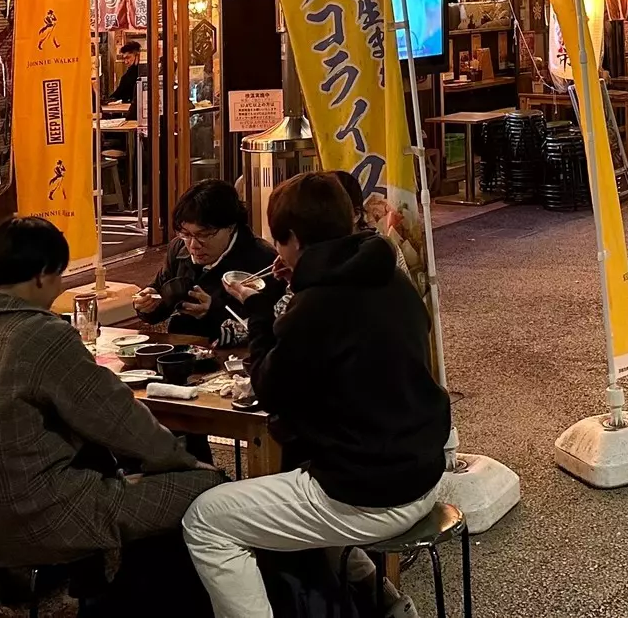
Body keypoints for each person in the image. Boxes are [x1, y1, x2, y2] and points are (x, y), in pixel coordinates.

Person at [0, 217, 220, 614]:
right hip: (39, 517)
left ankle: (107, 591)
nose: (59, 288)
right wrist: (186, 464)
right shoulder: (38, 332)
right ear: (41, 276)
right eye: (59, 277)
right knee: (204, 490)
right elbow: (121, 420)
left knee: (122, 473)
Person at [185, 173, 451, 618]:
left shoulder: (321, 302)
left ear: (290, 239)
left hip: (369, 490)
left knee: (206, 520)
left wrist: (258, 309)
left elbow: (271, 388)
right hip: (422, 470)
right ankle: (385, 604)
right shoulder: (388, 276)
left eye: (280, 240)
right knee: (299, 506)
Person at [132, 180, 281, 339]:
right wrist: (147, 306)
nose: (194, 245)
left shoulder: (263, 259)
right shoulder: (179, 248)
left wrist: (212, 311)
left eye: (204, 234)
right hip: (184, 350)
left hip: (237, 356)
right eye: (186, 234)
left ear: (230, 227)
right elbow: (162, 295)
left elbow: (270, 325)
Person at [106, 41, 146, 113]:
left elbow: (118, 94)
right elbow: (118, 94)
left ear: (137, 55)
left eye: (128, 57)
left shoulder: (141, 73)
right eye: (124, 59)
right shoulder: (127, 75)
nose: (126, 62)